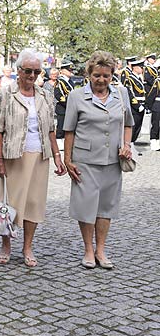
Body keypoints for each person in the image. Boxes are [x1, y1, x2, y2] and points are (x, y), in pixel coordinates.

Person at [0, 48, 66, 268]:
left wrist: (57, 156)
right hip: (14, 155)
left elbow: (51, 129)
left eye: (37, 72)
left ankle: (28, 246)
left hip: (40, 155)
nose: (32, 76)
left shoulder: (45, 95)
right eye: (28, 71)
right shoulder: (6, 93)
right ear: (18, 70)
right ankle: (6, 244)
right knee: (10, 203)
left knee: (34, 203)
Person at [63, 51, 133, 269]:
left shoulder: (121, 94)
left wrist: (127, 145)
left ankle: (101, 250)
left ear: (112, 75)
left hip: (113, 159)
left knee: (106, 207)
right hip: (84, 160)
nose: (101, 80)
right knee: (86, 206)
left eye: (106, 75)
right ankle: (88, 250)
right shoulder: (76, 96)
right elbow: (69, 130)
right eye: (97, 75)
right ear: (88, 75)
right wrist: (67, 158)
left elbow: (128, 124)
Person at [123, 58, 146, 148]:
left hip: (141, 105)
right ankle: (129, 144)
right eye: (141, 67)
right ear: (135, 68)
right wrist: (137, 105)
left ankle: (133, 142)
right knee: (133, 126)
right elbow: (130, 94)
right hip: (134, 107)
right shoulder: (129, 79)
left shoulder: (138, 78)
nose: (142, 69)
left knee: (138, 126)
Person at [54, 61, 74, 150]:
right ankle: (59, 142)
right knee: (61, 126)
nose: (71, 71)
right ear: (62, 71)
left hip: (69, 107)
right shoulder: (60, 81)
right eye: (68, 70)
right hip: (63, 107)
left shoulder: (70, 81)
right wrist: (69, 104)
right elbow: (58, 95)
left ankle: (66, 142)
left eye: (71, 70)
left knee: (68, 125)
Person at [146, 76, 160, 151]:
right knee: (155, 125)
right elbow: (152, 94)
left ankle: (158, 142)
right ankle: (154, 142)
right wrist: (149, 106)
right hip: (157, 105)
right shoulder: (157, 82)